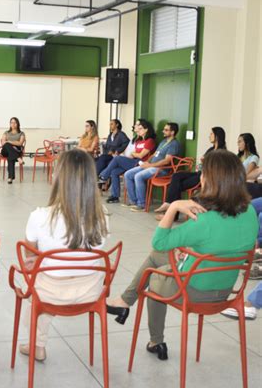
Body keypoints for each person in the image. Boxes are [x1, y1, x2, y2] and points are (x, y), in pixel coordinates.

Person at [107, 150, 258, 360]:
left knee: (155, 272)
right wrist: (190, 250)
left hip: (193, 291)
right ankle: (125, 302)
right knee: (158, 257)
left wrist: (174, 206)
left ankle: (156, 340)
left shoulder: (202, 219)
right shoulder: (250, 212)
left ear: (210, 179)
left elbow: (159, 241)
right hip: (225, 291)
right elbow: (225, 245)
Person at [19, 149, 109, 361]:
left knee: (33, 278)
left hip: (50, 293)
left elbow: (30, 259)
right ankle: (37, 343)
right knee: (49, 274)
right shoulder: (103, 215)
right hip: (90, 292)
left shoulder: (40, 216)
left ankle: (37, 344)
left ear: (58, 177)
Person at [154, 126, 227, 218]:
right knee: (177, 175)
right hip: (199, 173)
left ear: (217, 136)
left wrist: (206, 162)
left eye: (211, 134)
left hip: (206, 177)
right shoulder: (211, 149)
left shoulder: (222, 152)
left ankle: (171, 213)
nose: (209, 136)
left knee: (177, 186)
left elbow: (217, 168)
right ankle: (169, 205)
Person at [124, 122, 181, 212]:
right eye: (164, 129)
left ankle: (141, 204)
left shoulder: (174, 144)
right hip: (151, 166)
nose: (163, 131)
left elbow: (166, 161)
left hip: (161, 169)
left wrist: (150, 165)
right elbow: (154, 154)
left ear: (173, 132)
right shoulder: (163, 141)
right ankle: (133, 201)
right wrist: (147, 162)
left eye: (166, 130)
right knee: (128, 174)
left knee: (138, 176)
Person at [101, 119, 157, 204]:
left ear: (146, 130)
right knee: (114, 171)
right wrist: (134, 154)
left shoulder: (150, 141)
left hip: (140, 163)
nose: (138, 129)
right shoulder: (138, 141)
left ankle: (104, 176)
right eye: (138, 127)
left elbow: (141, 155)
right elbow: (132, 154)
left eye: (141, 128)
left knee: (117, 158)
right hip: (132, 161)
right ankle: (115, 196)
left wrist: (134, 154)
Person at [0, 117, 26, 184]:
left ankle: (10, 178)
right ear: (10, 124)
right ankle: (18, 158)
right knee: (7, 145)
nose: (13, 124)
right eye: (11, 122)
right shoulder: (6, 132)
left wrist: (8, 141)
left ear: (18, 124)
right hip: (5, 151)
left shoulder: (21, 133)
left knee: (10, 156)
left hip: (16, 150)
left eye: (15, 122)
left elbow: (20, 143)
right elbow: (3, 143)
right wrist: (11, 143)